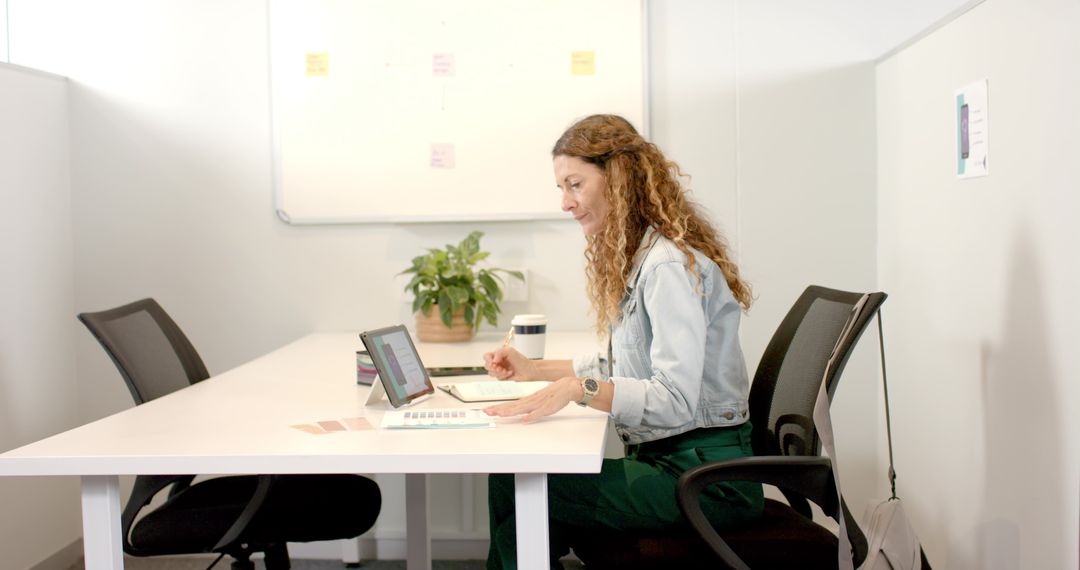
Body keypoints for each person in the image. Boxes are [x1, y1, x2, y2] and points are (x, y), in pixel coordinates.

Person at [482, 114, 764, 569]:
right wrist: (535, 370)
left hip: (707, 482)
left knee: (517, 484)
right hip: (682, 464)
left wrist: (580, 390)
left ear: (616, 177)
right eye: (561, 188)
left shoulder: (668, 267)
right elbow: (623, 362)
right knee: (519, 487)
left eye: (574, 184)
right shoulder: (645, 255)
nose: (565, 202)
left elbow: (673, 399)